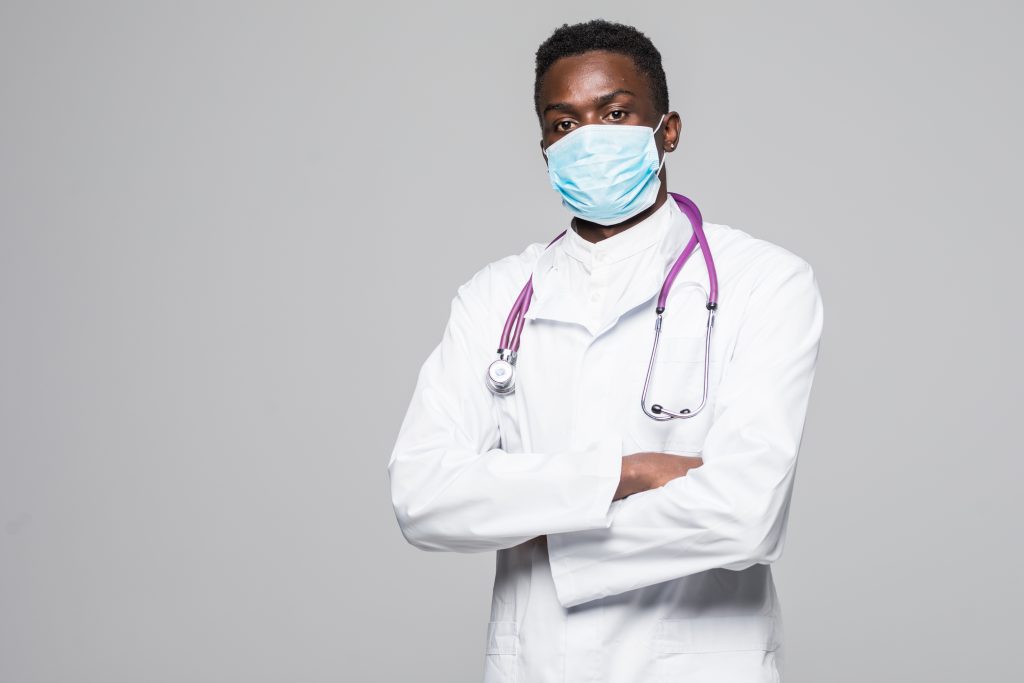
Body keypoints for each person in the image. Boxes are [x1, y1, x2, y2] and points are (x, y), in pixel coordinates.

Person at [387, 18, 824, 683]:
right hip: (539, 662)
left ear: (667, 129)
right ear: (542, 147)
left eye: (615, 113)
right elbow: (423, 495)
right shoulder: (495, 296)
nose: (587, 138)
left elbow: (746, 512)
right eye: (563, 125)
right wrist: (628, 472)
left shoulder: (763, 280)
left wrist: (541, 519)